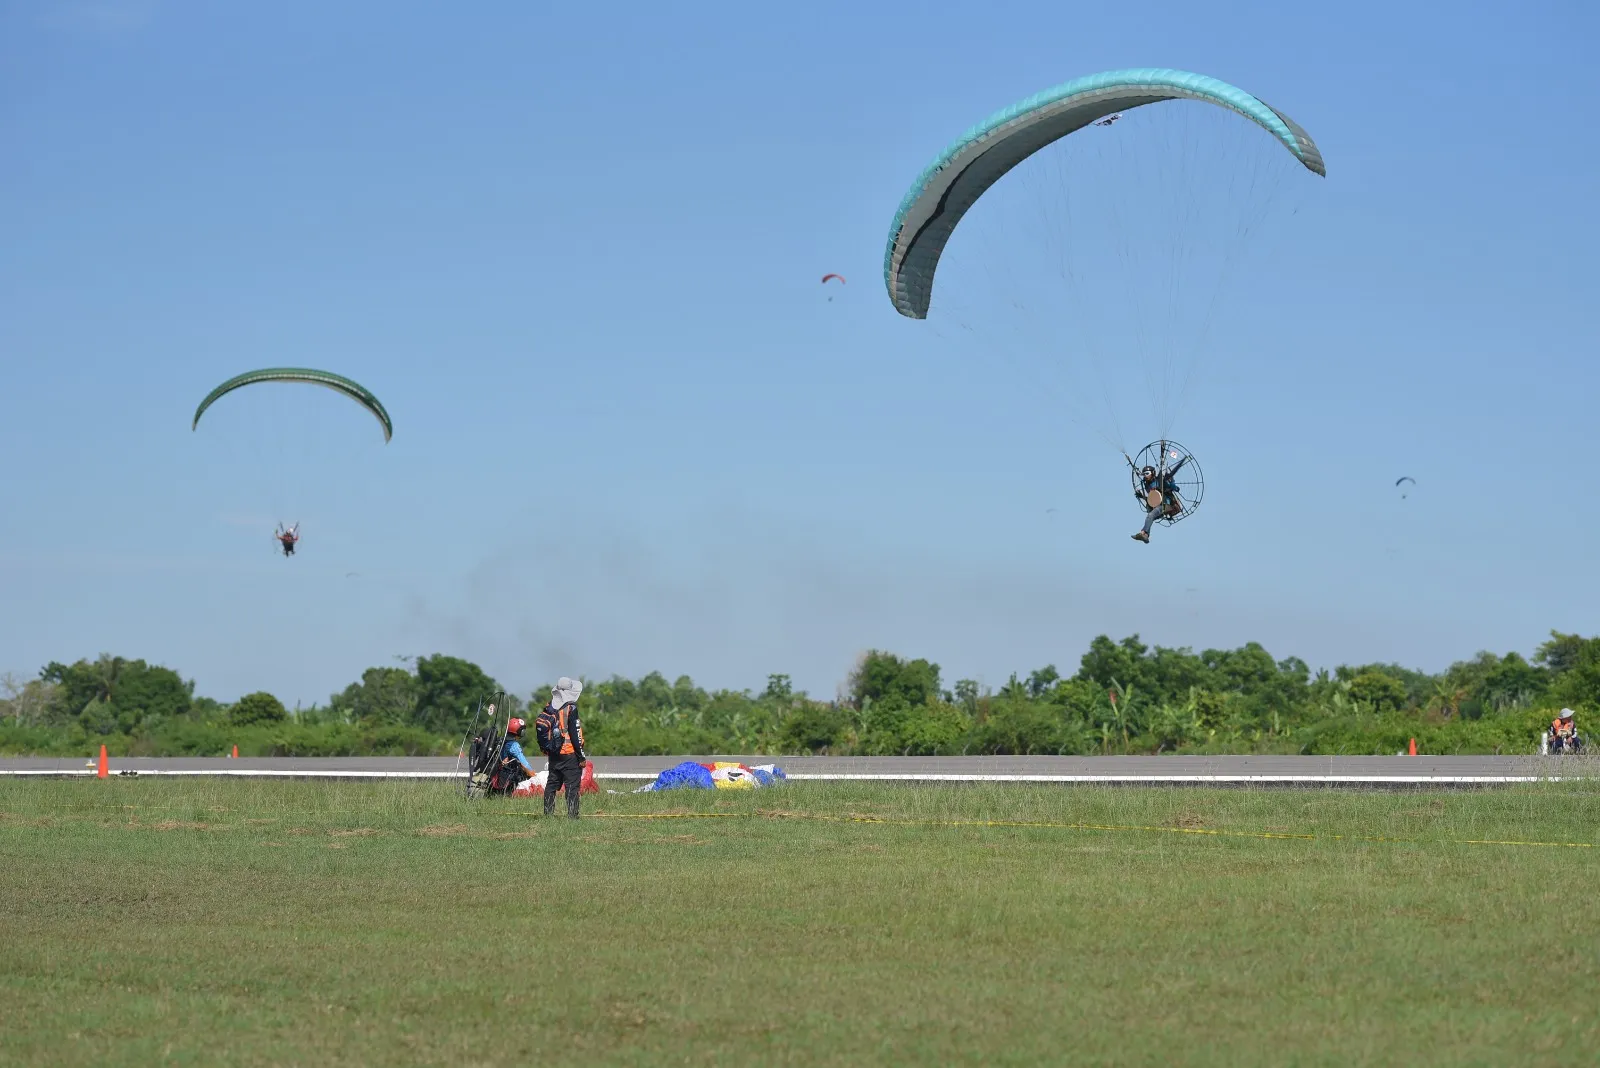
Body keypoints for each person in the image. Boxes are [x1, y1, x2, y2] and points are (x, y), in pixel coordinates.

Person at [535, 677, 588, 818]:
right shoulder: (571, 708)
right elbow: (575, 735)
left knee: (552, 785)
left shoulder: (550, 707)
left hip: (554, 754)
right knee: (572, 787)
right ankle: (572, 816)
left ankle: (548, 815)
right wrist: (581, 756)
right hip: (570, 754)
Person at [1128, 447, 1188, 543]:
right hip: (1158, 506)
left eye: (1147, 473)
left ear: (1152, 473)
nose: (1145, 475)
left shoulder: (1159, 481)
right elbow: (1154, 498)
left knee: (1150, 515)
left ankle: (1144, 533)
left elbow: (1170, 485)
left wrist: (1174, 487)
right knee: (1150, 516)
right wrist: (1142, 496)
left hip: (1166, 505)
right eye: (1144, 474)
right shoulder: (1147, 485)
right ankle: (1145, 535)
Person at [496, 717, 537, 791]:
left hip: (499, 773)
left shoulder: (502, 741)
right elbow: (524, 763)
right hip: (507, 777)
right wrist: (534, 776)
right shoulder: (513, 745)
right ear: (519, 732)